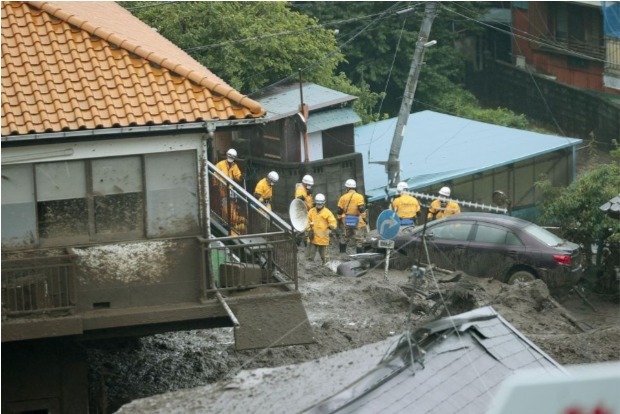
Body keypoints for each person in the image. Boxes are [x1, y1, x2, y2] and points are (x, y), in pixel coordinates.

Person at [305, 193, 338, 266]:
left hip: (323, 239)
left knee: (324, 257)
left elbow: (333, 222)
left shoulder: (327, 212)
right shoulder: (311, 211)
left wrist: (332, 226)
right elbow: (307, 221)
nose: (319, 206)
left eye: (320, 204)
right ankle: (310, 269)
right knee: (310, 256)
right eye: (318, 204)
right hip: (313, 238)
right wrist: (309, 229)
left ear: (323, 203)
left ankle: (326, 267)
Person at [337, 179, 367, 255]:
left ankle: (342, 254)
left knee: (344, 238)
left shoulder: (343, 197)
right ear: (354, 188)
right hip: (357, 221)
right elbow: (361, 209)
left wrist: (339, 219)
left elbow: (339, 210)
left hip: (346, 220)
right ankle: (359, 256)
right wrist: (364, 218)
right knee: (359, 240)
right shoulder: (359, 197)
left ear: (347, 188)